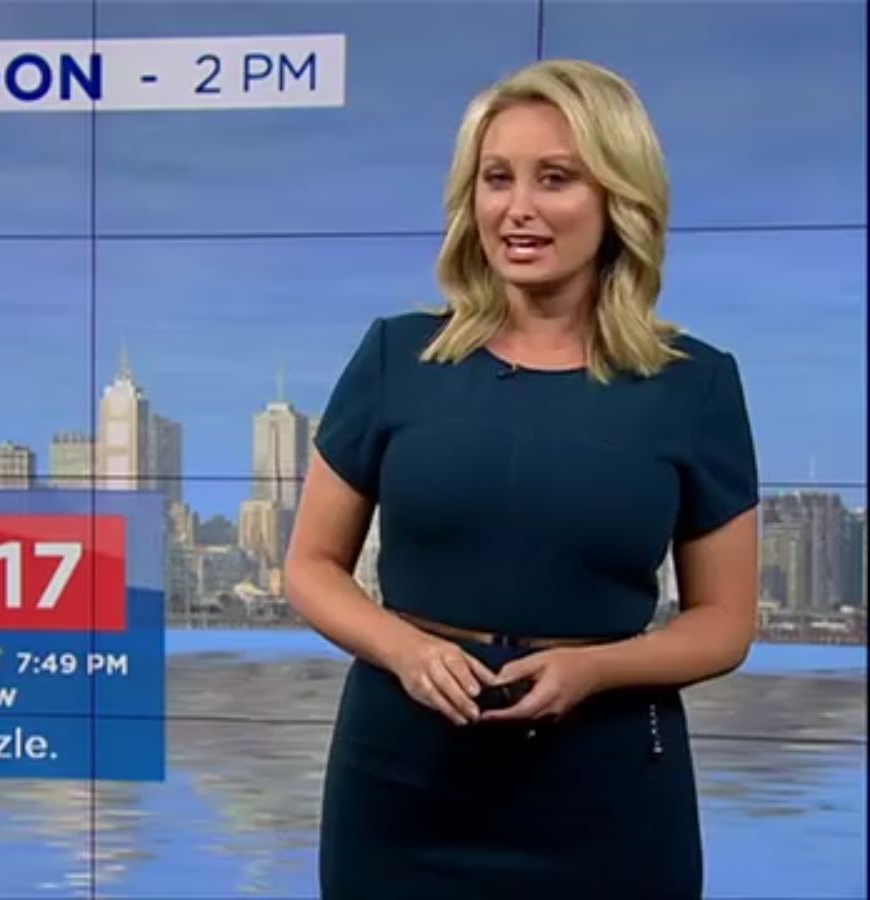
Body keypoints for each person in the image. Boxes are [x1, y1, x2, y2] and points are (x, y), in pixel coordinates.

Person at [284, 58, 760, 899]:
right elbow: (311, 567)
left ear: (619, 198)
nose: (518, 208)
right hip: (401, 781)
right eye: (497, 178)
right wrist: (408, 652)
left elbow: (723, 624)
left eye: (556, 179)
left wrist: (596, 671)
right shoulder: (398, 356)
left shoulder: (695, 384)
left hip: (607, 790)